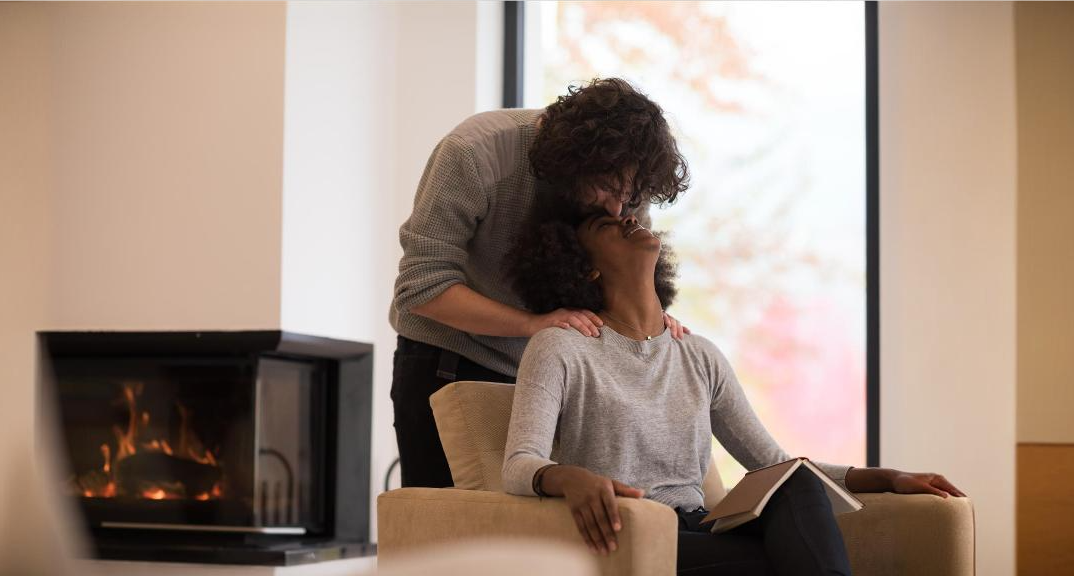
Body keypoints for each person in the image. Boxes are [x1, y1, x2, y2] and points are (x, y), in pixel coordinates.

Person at [502, 204, 965, 575]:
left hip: (702, 527)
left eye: (630, 215)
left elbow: (775, 465)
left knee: (794, 483)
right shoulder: (560, 347)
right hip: (632, 533)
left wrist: (886, 477)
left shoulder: (698, 355)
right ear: (587, 271)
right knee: (788, 562)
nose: (628, 218)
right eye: (607, 224)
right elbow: (520, 464)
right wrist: (571, 477)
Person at [390, 78, 692, 488]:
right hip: (448, 362)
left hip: (547, 372)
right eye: (608, 190)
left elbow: (625, 280)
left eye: (631, 196)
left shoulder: (626, 179)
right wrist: (532, 325)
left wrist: (656, 325)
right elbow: (420, 287)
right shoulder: (475, 153)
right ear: (573, 162)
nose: (619, 208)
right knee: (445, 537)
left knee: (530, 539)